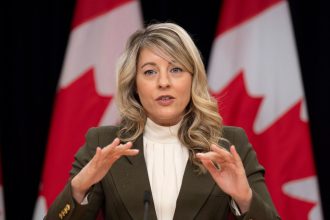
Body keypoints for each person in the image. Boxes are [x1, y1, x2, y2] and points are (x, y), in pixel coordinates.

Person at [45, 22, 281, 220]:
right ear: (134, 84)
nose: (164, 82)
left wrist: (244, 198)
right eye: (150, 72)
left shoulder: (228, 144)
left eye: (176, 69)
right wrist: (78, 189)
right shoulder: (105, 144)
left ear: (193, 79)